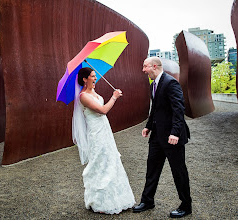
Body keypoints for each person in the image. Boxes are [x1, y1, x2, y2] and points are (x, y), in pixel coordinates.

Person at [133, 57, 192, 218]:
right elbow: (156, 109)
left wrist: (174, 132)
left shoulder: (170, 83)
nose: (143, 70)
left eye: (145, 66)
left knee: (179, 172)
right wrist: (148, 126)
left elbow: (179, 109)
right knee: (152, 170)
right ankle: (147, 201)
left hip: (173, 137)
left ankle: (186, 206)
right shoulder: (153, 84)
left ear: (154, 66)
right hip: (157, 137)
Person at [72, 67, 135, 214]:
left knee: (111, 161)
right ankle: (101, 202)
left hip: (105, 131)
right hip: (96, 134)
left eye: (95, 76)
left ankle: (117, 198)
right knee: (100, 163)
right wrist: (114, 97)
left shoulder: (93, 92)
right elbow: (103, 110)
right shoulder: (83, 96)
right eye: (92, 76)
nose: (95, 78)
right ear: (84, 79)